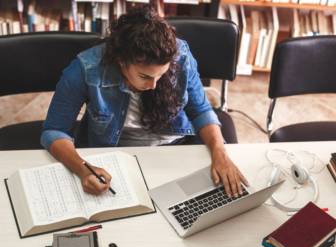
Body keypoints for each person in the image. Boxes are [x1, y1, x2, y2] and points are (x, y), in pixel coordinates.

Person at [41, 6, 248, 197]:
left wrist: (220, 153)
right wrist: (82, 169)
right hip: (114, 156)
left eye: (161, 75)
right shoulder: (86, 68)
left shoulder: (181, 56)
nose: (154, 86)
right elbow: (55, 131)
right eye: (144, 77)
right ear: (122, 61)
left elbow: (200, 110)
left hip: (175, 148)